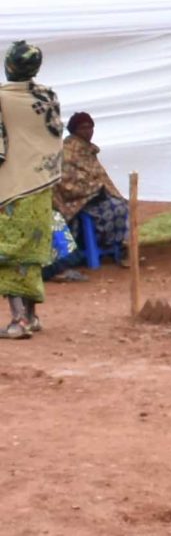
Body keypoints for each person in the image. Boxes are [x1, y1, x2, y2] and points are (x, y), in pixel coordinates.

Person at [0, 41, 66, 338]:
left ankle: (19, 321)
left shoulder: (2, 99)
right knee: (33, 250)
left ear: (9, 66)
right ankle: (32, 315)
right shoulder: (48, 96)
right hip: (41, 186)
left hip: (12, 188)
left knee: (8, 252)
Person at [52, 113, 128, 266]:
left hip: (93, 197)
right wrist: (94, 189)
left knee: (121, 204)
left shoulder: (87, 150)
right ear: (74, 130)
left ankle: (116, 246)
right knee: (117, 208)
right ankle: (106, 245)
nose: (88, 131)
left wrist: (101, 190)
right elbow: (66, 183)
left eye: (90, 127)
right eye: (83, 128)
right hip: (74, 201)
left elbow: (99, 177)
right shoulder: (67, 151)